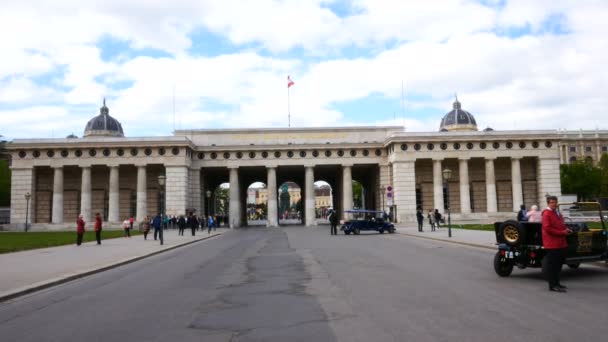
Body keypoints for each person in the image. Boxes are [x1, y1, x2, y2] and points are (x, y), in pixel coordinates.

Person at [541, 195, 572, 292]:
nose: (554, 204)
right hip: (552, 244)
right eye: (552, 202)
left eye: (555, 202)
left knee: (558, 265)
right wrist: (562, 232)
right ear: (548, 203)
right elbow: (547, 228)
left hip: (560, 243)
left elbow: (561, 224)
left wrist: (566, 229)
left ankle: (557, 283)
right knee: (553, 266)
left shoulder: (557, 212)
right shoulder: (547, 213)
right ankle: (552, 285)